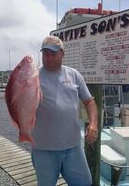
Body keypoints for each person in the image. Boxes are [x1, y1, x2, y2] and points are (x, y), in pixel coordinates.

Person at [31, 35, 98, 186]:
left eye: (53, 54)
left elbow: (89, 101)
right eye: (45, 54)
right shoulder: (33, 77)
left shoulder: (74, 74)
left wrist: (93, 123)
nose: (48, 58)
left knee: (85, 183)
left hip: (73, 146)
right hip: (43, 148)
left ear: (63, 54)